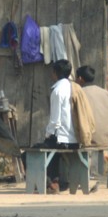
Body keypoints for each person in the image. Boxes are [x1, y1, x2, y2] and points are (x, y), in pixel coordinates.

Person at [41, 59, 78, 192]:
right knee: (52, 150)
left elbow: (55, 121)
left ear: (55, 73)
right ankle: (57, 181)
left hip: (63, 138)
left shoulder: (57, 91)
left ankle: (51, 183)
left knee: (35, 151)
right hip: (75, 137)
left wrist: (47, 134)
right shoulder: (73, 87)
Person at [75, 65, 108, 147]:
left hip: (87, 140)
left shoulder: (79, 94)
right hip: (106, 139)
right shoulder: (105, 93)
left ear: (80, 79)